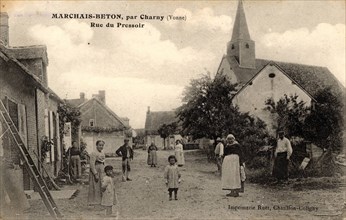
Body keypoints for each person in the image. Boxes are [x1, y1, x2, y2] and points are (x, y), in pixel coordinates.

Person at [88, 140, 106, 205]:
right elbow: (92, 164)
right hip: (96, 170)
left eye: (102, 145)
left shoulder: (102, 153)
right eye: (99, 145)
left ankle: (101, 201)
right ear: (96, 145)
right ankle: (94, 202)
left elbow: (104, 162)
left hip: (101, 170)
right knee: (95, 186)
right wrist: (95, 173)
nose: (101, 146)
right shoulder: (93, 153)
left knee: (102, 185)